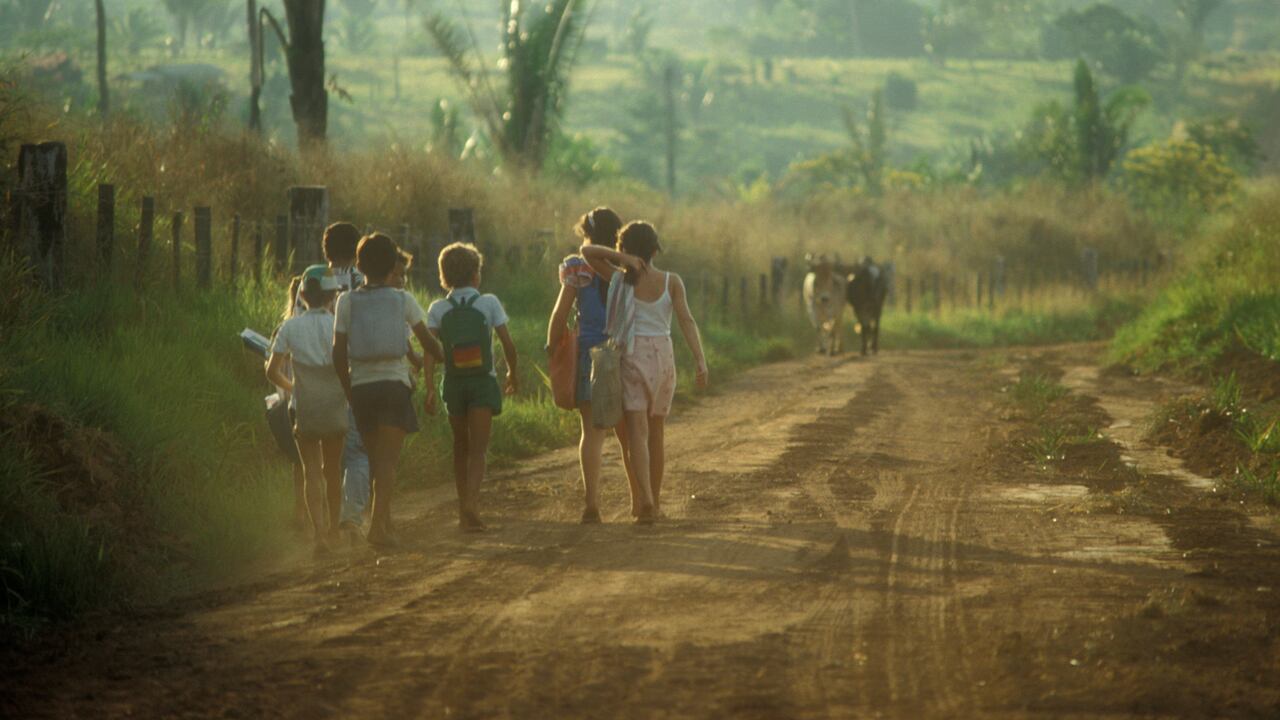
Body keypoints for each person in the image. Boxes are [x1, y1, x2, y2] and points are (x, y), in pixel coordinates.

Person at [581, 222, 708, 524]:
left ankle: (646, 502)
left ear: (624, 249)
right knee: (658, 433)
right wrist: (700, 361)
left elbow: (586, 251)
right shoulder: (671, 281)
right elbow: (687, 321)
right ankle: (656, 500)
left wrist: (621, 259)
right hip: (663, 358)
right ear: (654, 250)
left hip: (632, 356)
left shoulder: (618, 279)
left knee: (637, 432)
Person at [333, 233, 444, 550]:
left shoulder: (347, 301)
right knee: (387, 463)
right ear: (392, 265)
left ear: (359, 265)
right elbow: (428, 343)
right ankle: (378, 529)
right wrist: (444, 357)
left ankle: (380, 522)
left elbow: (338, 353)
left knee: (373, 458)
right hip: (394, 386)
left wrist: (349, 390)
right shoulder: (402, 300)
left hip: (362, 388)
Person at [547, 207, 640, 524]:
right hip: (622, 355)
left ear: (588, 236)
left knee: (592, 432)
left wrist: (552, 346)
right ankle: (638, 500)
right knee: (628, 434)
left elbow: (560, 315)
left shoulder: (578, 269)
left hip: (590, 356)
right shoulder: (626, 271)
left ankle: (592, 504)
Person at [424, 242, 519, 532]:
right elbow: (507, 343)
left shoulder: (438, 308)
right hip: (482, 383)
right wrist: (513, 374)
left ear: (443, 276)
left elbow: (429, 351)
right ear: (476, 274)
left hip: (453, 384)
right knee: (478, 449)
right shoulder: (488, 302)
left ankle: (463, 504)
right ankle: (471, 505)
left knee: (460, 446)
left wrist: (429, 387)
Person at [266, 265, 348, 556]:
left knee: (310, 470)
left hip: (304, 409)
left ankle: (318, 536)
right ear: (332, 296)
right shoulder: (339, 324)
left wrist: (294, 387)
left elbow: (271, 372)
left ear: (302, 294)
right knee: (333, 469)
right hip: (335, 407)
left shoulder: (291, 327)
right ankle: (335, 530)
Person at [319, 223, 375, 541]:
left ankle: (322, 521)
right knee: (356, 450)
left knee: (326, 453)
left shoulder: (313, 280)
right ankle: (350, 518)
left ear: (326, 250)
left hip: (319, 374)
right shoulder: (363, 281)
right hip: (356, 371)